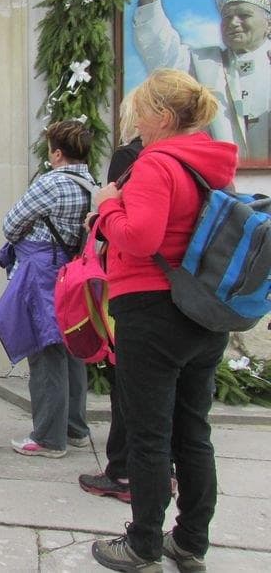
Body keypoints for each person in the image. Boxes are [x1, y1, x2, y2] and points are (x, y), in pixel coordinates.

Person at [90, 69, 237, 573]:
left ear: (163, 116)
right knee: (193, 432)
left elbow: (141, 238)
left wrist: (108, 207)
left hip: (152, 313)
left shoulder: (157, 164)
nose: (135, 121)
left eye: (140, 111)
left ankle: (143, 544)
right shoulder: (213, 166)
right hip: (202, 312)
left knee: (149, 436)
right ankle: (191, 542)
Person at [1, 120, 93, 459]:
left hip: (42, 275)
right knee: (71, 349)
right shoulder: (90, 183)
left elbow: (10, 224)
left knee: (44, 350)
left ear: (56, 153)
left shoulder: (51, 183)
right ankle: (75, 428)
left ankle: (49, 438)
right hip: (71, 273)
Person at [131, 0, 271, 162]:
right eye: (227, 17)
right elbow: (163, 54)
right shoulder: (203, 63)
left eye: (243, 15)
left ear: (268, 23)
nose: (233, 23)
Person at [78, 92, 142, 501]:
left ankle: (122, 473)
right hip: (188, 297)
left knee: (130, 390)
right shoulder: (204, 159)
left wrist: (102, 212)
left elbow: (132, 232)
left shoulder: (132, 159)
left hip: (137, 290)